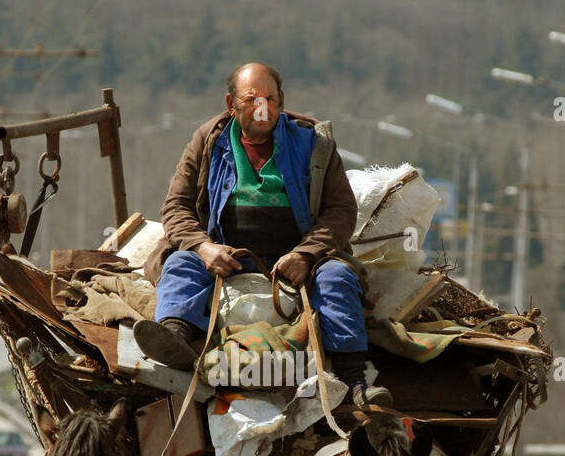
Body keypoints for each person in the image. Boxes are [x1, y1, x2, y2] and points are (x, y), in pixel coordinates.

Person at [135, 61, 388, 404]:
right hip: (227, 259)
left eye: (270, 99)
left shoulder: (314, 144)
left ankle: (355, 384)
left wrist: (306, 254)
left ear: (281, 100)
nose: (262, 108)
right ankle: (174, 338)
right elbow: (176, 207)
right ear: (231, 104)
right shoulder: (208, 141)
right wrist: (205, 248)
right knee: (181, 263)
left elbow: (341, 212)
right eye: (252, 99)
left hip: (298, 265)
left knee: (338, 278)